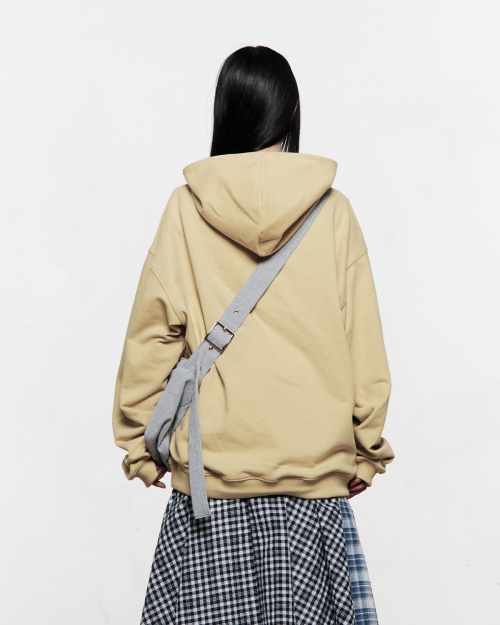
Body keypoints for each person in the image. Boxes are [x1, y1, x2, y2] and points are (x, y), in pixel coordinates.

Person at [112, 45, 394, 625]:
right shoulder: (333, 213)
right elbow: (362, 340)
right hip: (313, 496)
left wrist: (142, 444)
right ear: (290, 114)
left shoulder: (186, 210)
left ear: (227, 112)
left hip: (209, 496)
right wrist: (366, 450)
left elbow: (153, 333)